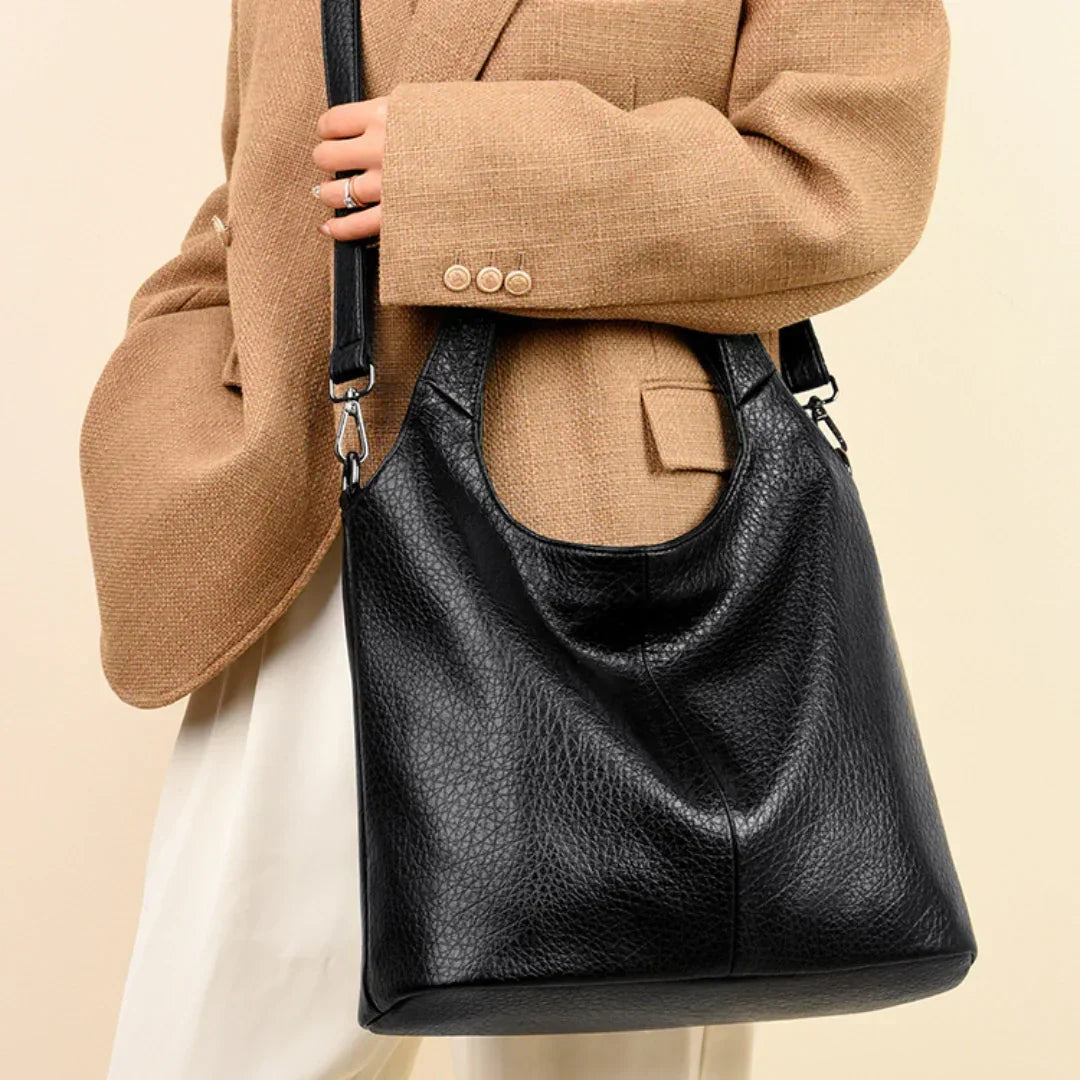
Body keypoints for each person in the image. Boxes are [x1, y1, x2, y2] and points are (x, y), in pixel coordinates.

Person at [81, 1, 951, 1077]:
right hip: (299, 541)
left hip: (628, 566)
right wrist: (170, 364)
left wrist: (464, 175)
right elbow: (267, 172)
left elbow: (842, 179)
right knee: (209, 1041)